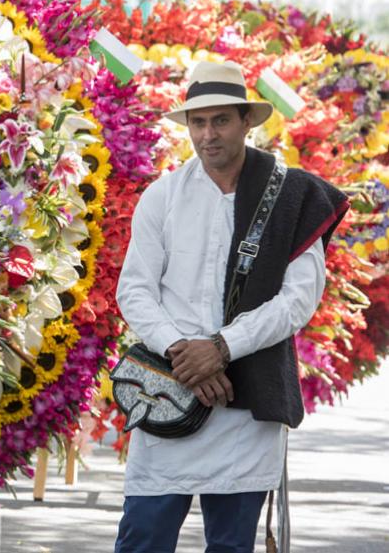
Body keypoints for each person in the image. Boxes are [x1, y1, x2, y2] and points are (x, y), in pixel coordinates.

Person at [114, 61, 349, 553]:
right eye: (198, 122)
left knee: (230, 545)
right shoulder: (163, 196)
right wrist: (186, 355)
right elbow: (134, 290)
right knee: (143, 539)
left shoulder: (292, 196)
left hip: (244, 404)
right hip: (169, 391)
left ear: (247, 122)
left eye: (220, 120)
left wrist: (221, 348)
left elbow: (298, 300)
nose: (207, 134)